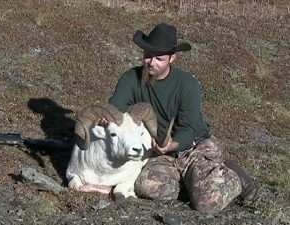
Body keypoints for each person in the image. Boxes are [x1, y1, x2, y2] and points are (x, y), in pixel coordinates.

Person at [107, 23, 257, 214]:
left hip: (194, 147)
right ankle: (195, 183)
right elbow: (116, 107)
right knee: (146, 187)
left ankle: (233, 175)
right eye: (147, 55)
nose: (151, 62)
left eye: (159, 58)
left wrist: (173, 144)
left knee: (206, 204)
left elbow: (188, 128)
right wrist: (107, 118)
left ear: (172, 58)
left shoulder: (187, 85)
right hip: (160, 152)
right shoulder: (131, 78)